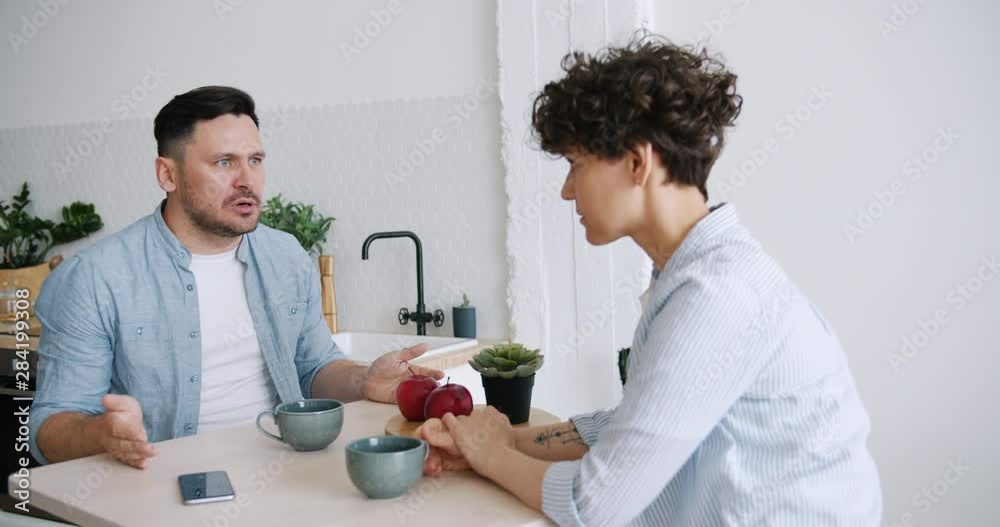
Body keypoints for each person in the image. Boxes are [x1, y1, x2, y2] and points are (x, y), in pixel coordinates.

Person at [420, 35, 883, 526]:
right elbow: (641, 424)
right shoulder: (695, 272)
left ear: (638, 163)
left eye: (576, 165)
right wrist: (510, 441)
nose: (566, 191)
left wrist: (492, 456)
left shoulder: (718, 295)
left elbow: (593, 504)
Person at [28, 86, 443, 468]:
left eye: (255, 161)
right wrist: (103, 434)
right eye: (224, 162)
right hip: (164, 485)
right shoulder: (94, 278)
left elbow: (313, 367)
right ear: (167, 175)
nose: (247, 181)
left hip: (285, 472)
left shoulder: (285, 256)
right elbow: (48, 429)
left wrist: (363, 379)